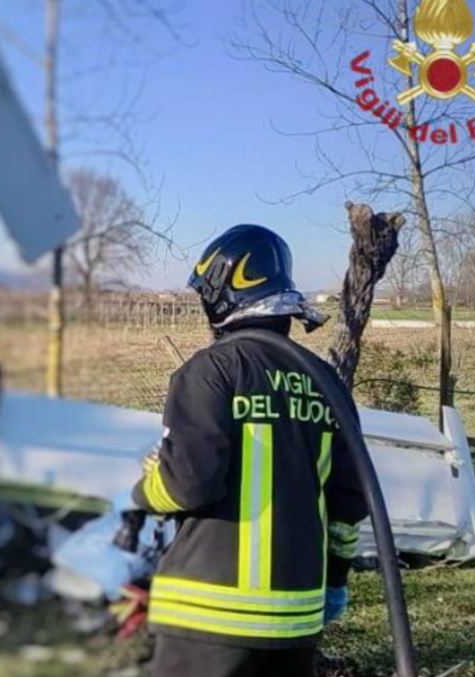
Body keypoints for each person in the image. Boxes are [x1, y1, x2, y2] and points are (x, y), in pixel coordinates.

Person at [131, 224, 368, 677]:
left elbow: (187, 486)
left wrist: (147, 486)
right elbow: (350, 499)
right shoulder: (326, 381)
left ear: (223, 294)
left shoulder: (210, 371)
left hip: (206, 619)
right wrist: (335, 581)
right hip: (297, 620)